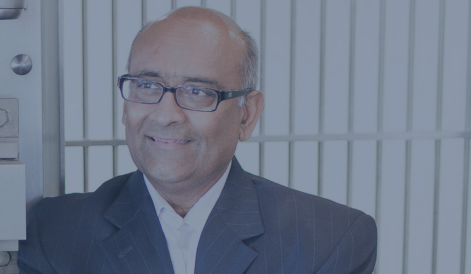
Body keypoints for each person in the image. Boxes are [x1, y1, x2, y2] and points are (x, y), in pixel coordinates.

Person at [18, 6, 376, 274]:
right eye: (147, 86)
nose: (165, 114)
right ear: (125, 107)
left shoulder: (328, 239)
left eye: (197, 91)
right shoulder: (54, 232)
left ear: (247, 114)